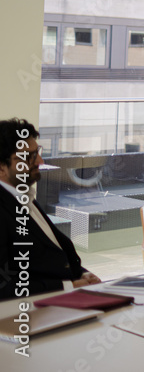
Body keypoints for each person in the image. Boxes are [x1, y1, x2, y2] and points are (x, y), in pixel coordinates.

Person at [0, 118, 101, 300]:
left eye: (37, 152)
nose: (40, 160)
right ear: (1, 168)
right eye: (29, 156)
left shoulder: (24, 197)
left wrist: (81, 275)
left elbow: (49, 258)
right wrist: (68, 286)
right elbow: (4, 285)